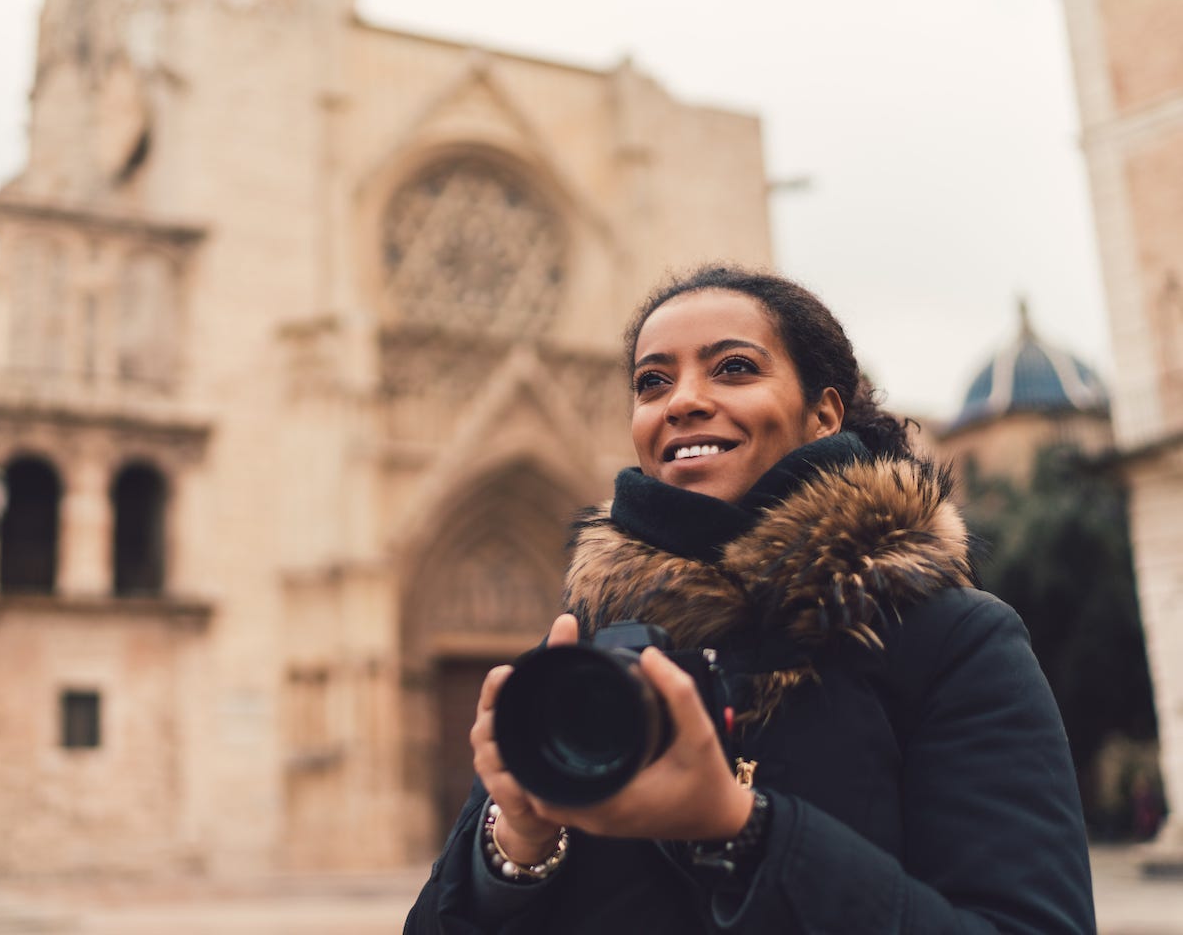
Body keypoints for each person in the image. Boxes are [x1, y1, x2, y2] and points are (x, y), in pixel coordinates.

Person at [405, 264, 1096, 933]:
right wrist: (515, 847)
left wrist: (742, 831)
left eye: (733, 367)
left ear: (823, 412)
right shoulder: (583, 648)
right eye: (652, 382)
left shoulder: (953, 641)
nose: (682, 401)